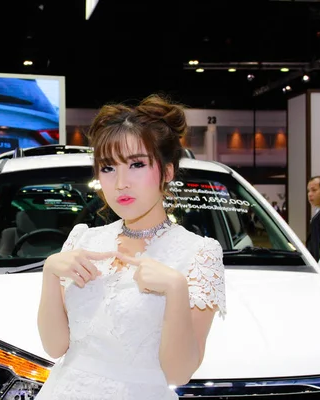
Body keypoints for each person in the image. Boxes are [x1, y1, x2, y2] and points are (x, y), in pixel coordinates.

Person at [36, 95, 226, 400]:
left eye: (137, 164)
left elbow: (178, 374)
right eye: (108, 168)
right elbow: (54, 346)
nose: (120, 182)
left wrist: (175, 289)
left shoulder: (199, 253)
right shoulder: (82, 239)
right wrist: (48, 272)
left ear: (166, 172)